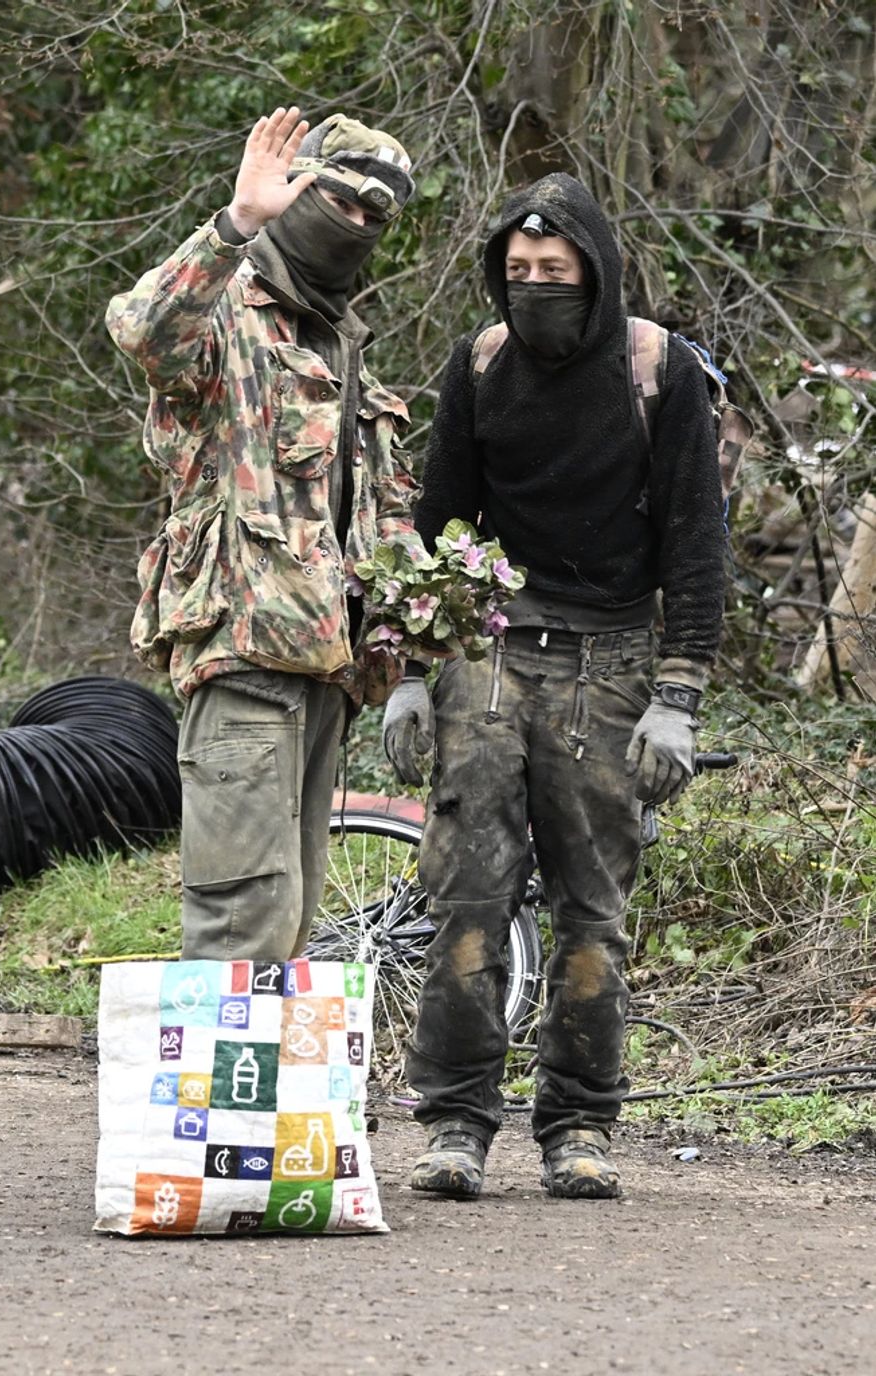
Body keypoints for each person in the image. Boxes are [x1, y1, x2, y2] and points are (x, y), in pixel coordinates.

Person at [383, 173, 725, 1201]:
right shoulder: (481, 363)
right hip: (485, 654)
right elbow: (439, 525)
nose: (533, 286)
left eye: (554, 270)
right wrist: (409, 669)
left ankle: (578, 1125)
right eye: (518, 271)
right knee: (467, 900)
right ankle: (454, 1123)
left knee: (593, 912)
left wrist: (681, 689)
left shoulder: (656, 369)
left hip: (610, 666)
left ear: (596, 270)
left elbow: (697, 542)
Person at [107, 105, 425, 963]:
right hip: (245, 655)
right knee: (239, 919)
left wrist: (412, 658)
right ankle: (217, 1100)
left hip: (329, 669)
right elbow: (142, 328)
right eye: (341, 199)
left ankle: (261, 1099)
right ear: (297, 191)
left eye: (376, 215)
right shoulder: (227, 317)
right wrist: (237, 223)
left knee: (288, 915)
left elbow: (379, 521)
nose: (356, 224)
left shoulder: (344, 350)